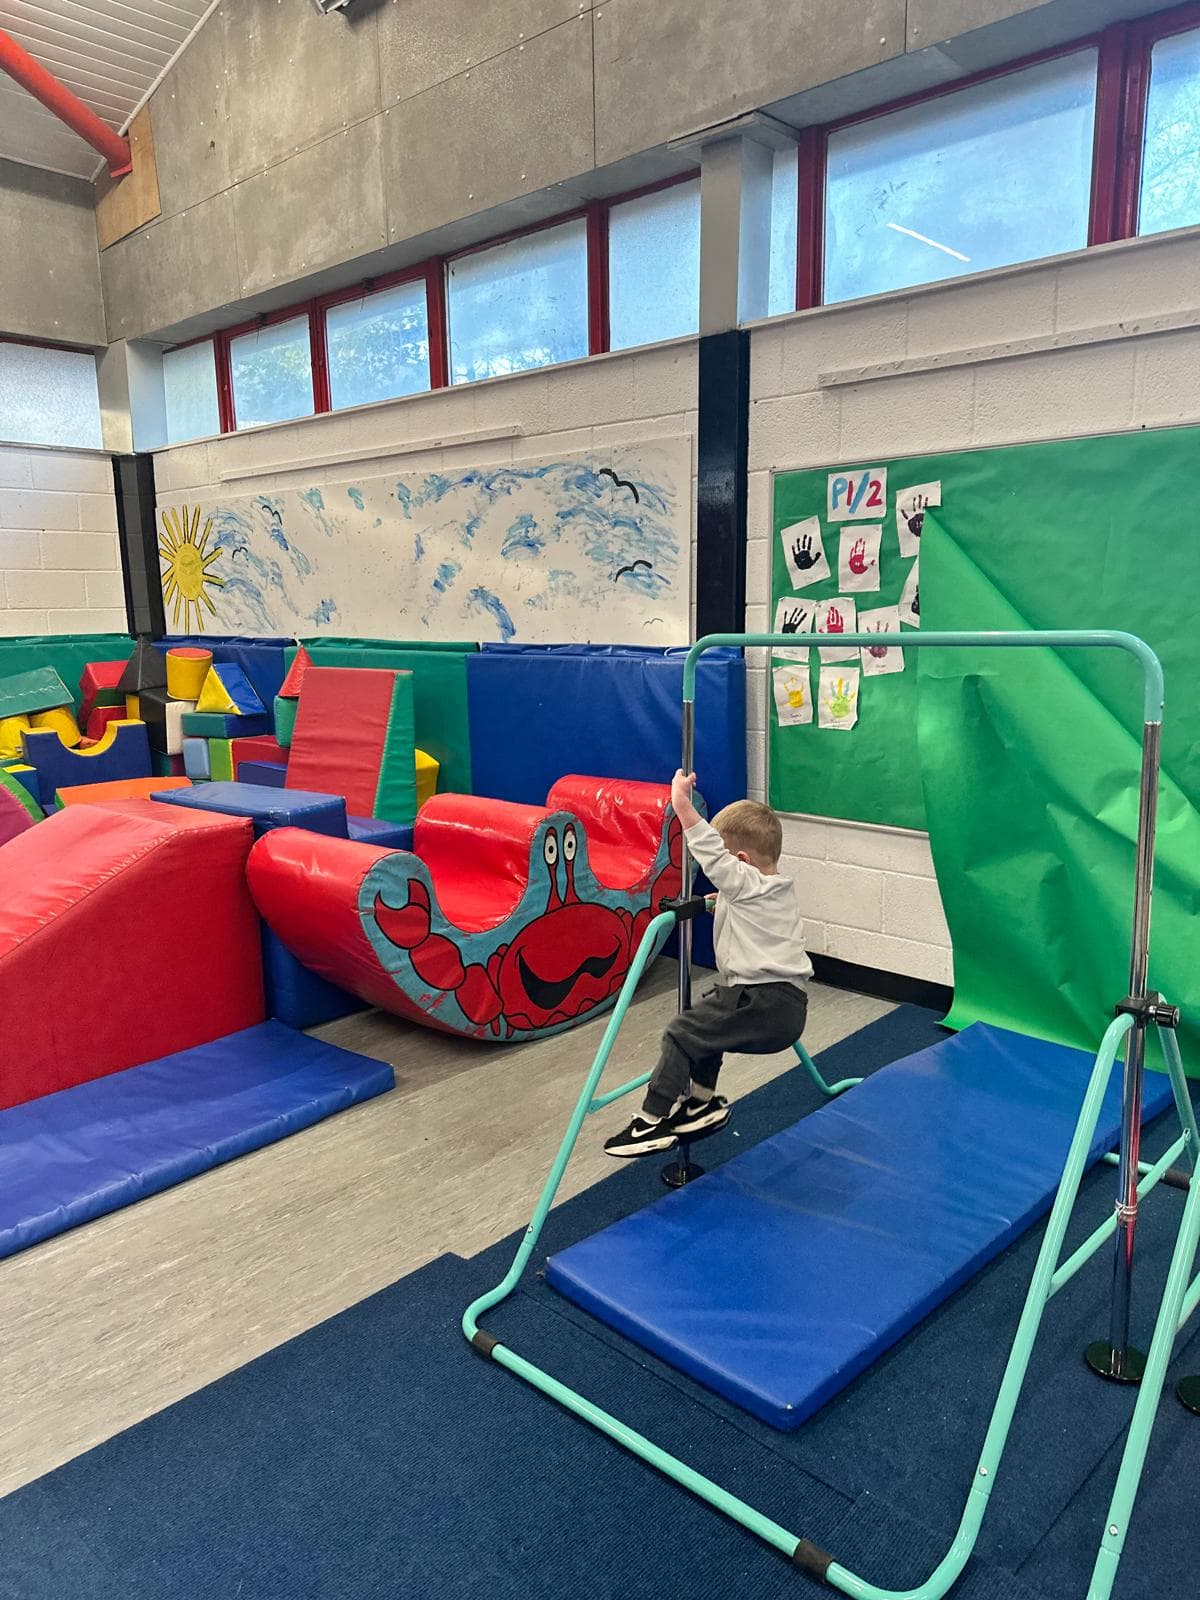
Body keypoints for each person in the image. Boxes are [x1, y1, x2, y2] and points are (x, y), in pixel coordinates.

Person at [604, 770, 812, 1157]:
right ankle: (701, 1104)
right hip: (786, 1007)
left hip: (762, 999)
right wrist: (722, 901)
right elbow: (739, 896)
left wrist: (682, 806)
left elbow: (714, 858)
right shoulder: (774, 890)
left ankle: (649, 1122)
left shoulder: (746, 884)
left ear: (742, 861)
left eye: (731, 868)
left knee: (682, 1033)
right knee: (706, 1030)